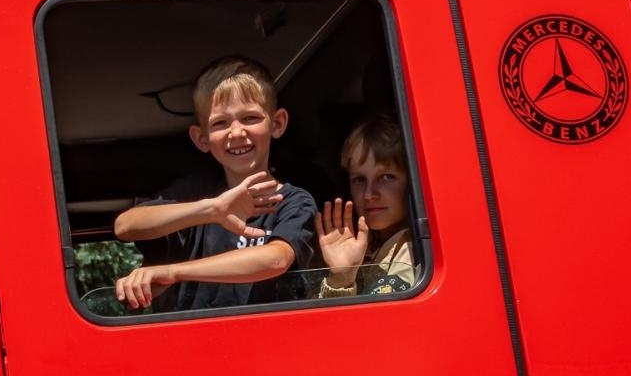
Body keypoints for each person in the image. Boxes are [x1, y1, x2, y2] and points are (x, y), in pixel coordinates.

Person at [113, 55, 317, 311]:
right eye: (220, 123)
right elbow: (125, 226)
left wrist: (174, 272)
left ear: (277, 123)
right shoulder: (195, 193)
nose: (236, 132)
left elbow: (276, 260)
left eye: (250, 118)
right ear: (201, 139)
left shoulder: (294, 201)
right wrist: (212, 210)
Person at [314, 113, 418, 298]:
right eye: (359, 179)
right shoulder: (355, 245)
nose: (369, 194)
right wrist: (341, 278)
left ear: (412, 182)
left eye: (387, 177)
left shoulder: (415, 251)